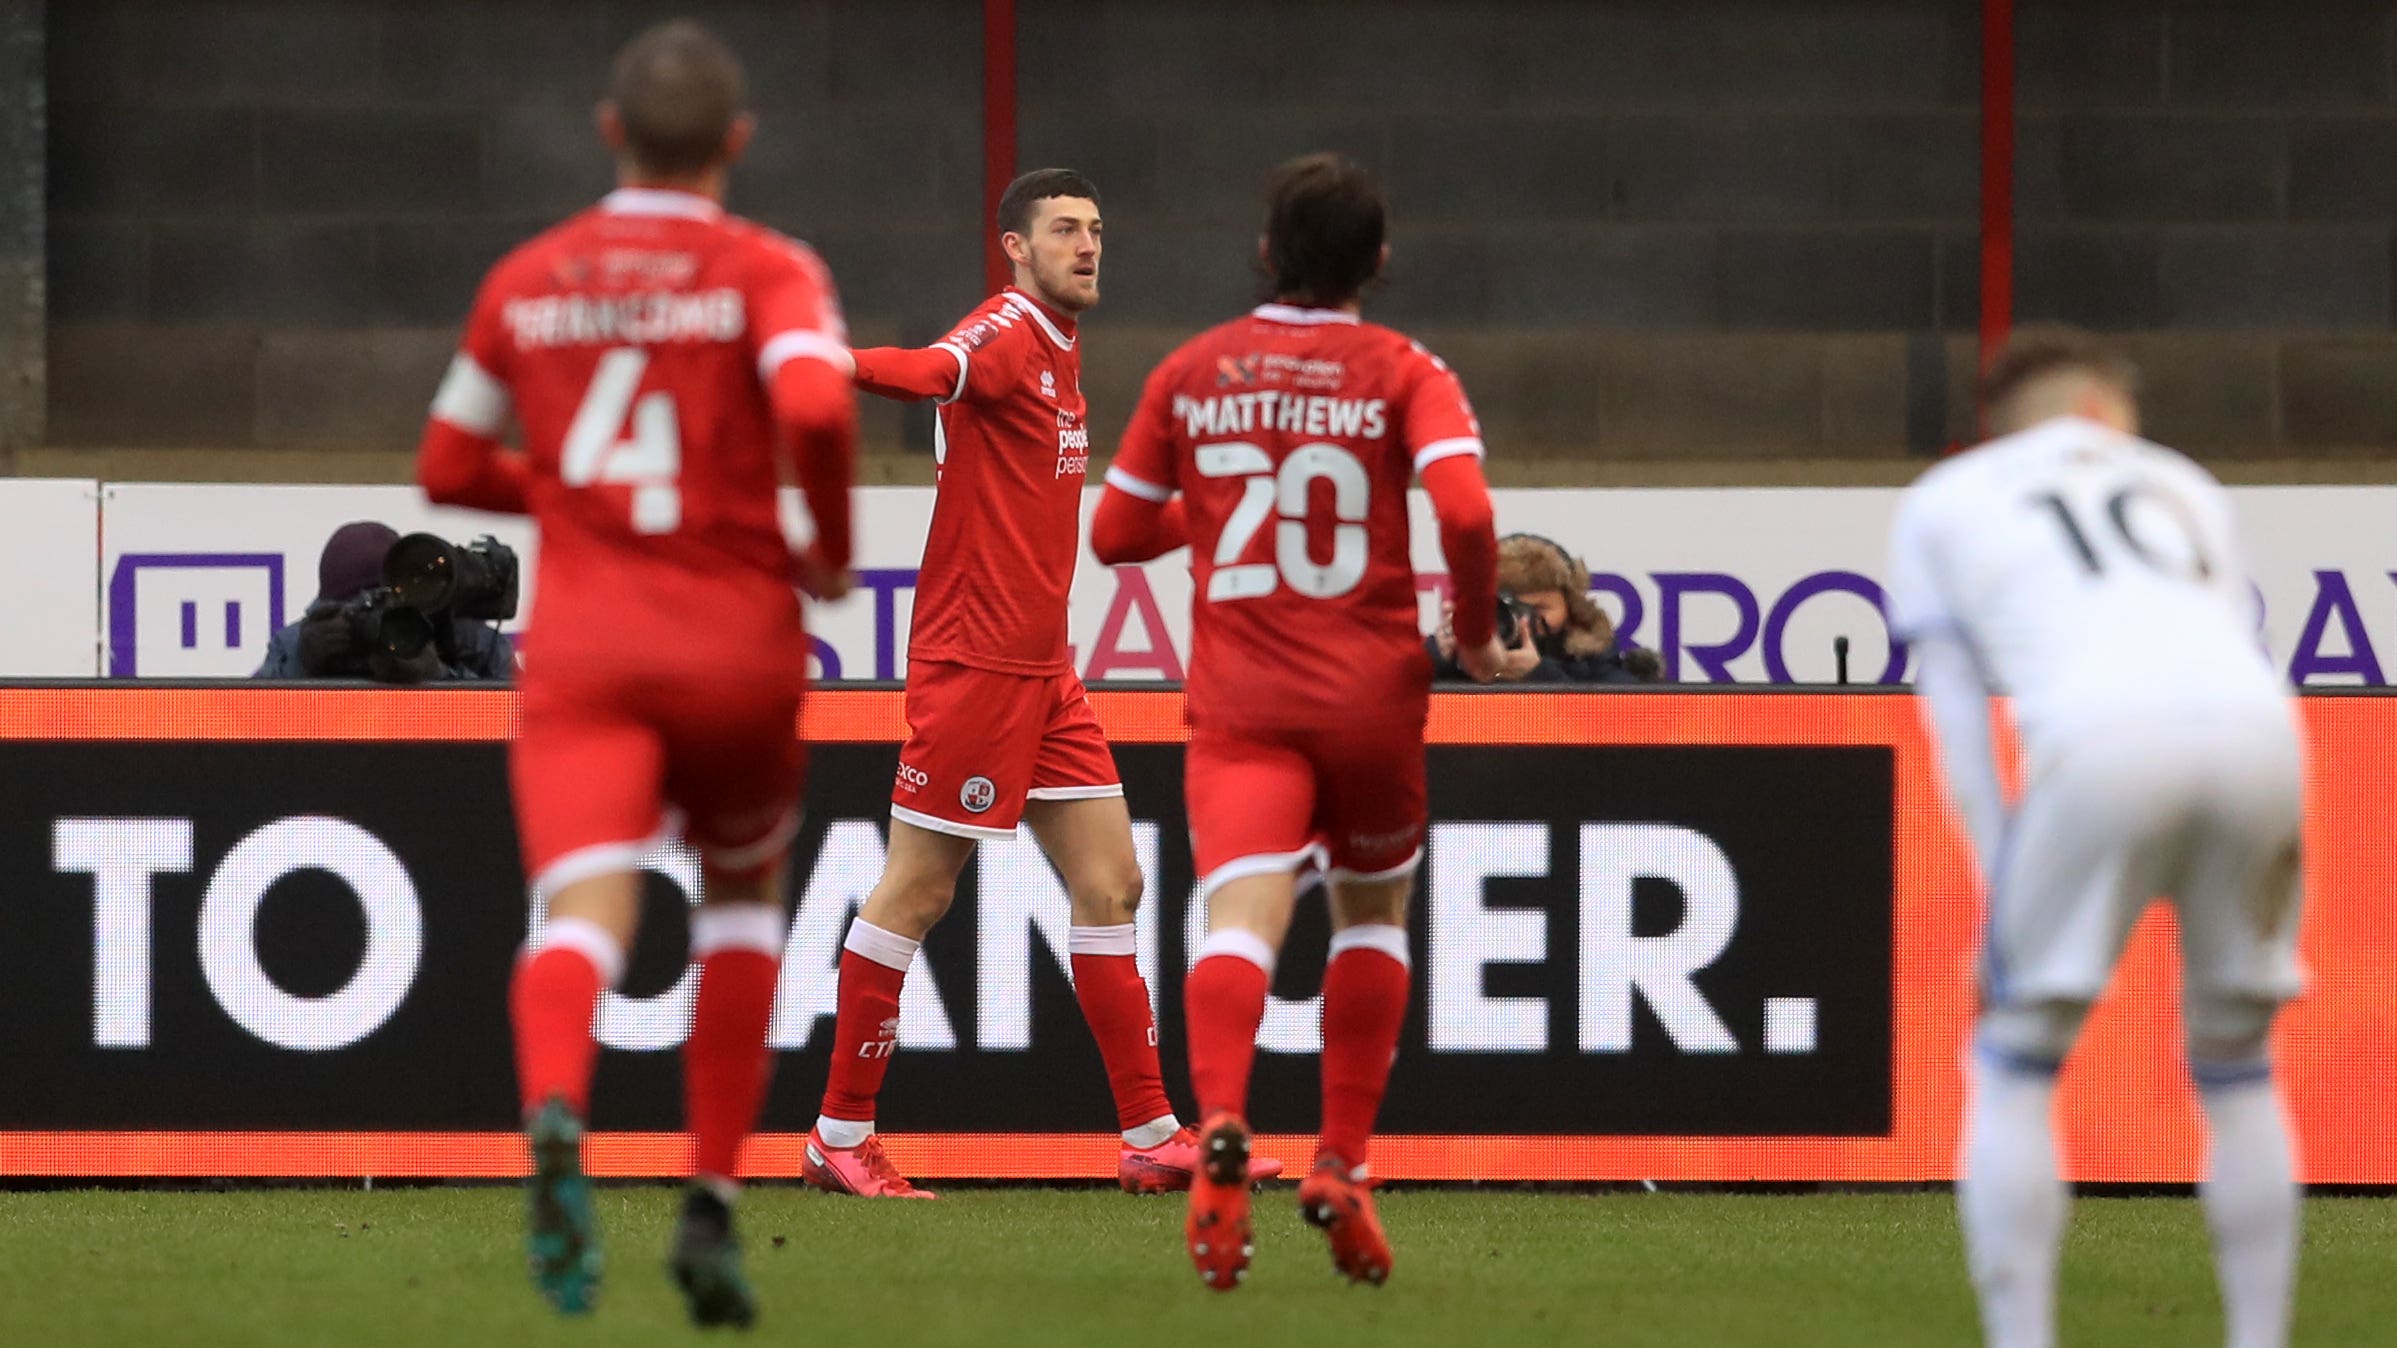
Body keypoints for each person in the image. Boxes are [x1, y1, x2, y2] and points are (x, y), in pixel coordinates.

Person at [413, 21, 856, 1328]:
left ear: (609, 132)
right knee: (736, 907)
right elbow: (821, 409)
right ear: (736, 141)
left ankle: (558, 1109)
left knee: (582, 915)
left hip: (591, 652)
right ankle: (709, 1198)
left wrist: (560, 483)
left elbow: (444, 467)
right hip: (735, 645)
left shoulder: (530, 276)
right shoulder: (769, 268)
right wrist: (825, 548)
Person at [800, 168, 1275, 1200]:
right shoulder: (1009, 327)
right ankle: (840, 1133)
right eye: (1064, 229)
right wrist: (818, 360)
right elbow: (930, 370)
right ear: (1014, 246)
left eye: (1096, 228)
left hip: (1043, 668)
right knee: (918, 889)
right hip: (975, 660)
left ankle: (1151, 1134)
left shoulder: (1062, 348)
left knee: (1114, 881)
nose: (1087, 243)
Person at [1090, 152, 1509, 1291]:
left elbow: (1116, 538)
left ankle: (1221, 1120)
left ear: (1267, 254)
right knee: (1373, 916)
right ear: (1377, 258)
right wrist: (1472, 638)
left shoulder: (1193, 369)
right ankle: (1341, 1163)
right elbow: (1467, 511)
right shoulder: (1404, 367)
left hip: (1246, 703)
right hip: (1374, 699)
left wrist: (1219, 506)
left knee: (1240, 918)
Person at [1883, 328, 2303, 1348]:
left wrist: (2000, 890)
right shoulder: (2185, 483)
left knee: (2018, 1060)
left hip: (2099, 740)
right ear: (2105, 412)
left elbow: (1956, 722)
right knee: (2239, 1063)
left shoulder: (1946, 500)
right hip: (2263, 736)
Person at [252, 521, 514, 683]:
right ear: (327, 608)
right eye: (357, 611)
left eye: (386, 606)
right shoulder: (299, 642)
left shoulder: (459, 637)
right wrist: (301, 667)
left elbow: (532, 726)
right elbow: (240, 729)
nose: (375, 622)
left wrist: (437, 677)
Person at [1427, 533, 1663, 684]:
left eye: (1540, 608)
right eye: (1510, 608)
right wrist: (1436, 661)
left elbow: (1616, 733)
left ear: (1571, 609)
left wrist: (1542, 677)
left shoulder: (1594, 661)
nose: (1524, 621)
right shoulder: (1461, 654)